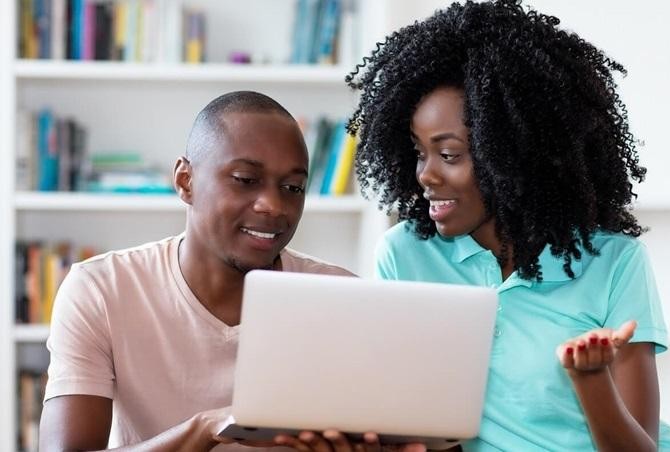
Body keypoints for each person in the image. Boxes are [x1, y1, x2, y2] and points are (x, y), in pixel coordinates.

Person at [341, 1, 670, 451]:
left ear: (515, 153)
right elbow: (418, 426)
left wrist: (591, 379)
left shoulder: (614, 262)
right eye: (418, 152)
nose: (425, 175)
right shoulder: (405, 254)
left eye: (449, 155)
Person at [38, 91, 416, 452]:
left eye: (292, 187)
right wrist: (206, 429)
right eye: (245, 180)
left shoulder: (342, 296)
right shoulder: (103, 289)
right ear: (186, 181)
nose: (273, 205)